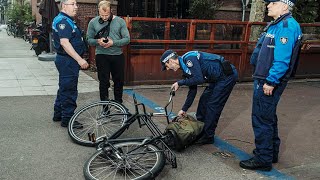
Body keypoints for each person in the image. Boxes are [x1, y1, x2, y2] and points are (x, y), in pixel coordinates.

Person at [239, 0, 302, 171]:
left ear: (284, 6)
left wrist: (271, 81)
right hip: (265, 78)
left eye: (273, 2)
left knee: (261, 119)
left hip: (268, 80)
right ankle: (270, 153)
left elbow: (282, 60)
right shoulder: (276, 24)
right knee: (268, 117)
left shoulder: (286, 26)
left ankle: (263, 159)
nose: (268, 5)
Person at [160, 50, 238, 145]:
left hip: (226, 76)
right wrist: (184, 109)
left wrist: (179, 83)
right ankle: (201, 130)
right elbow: (192, 91)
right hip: (215, 79)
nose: (168, 69)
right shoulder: (185, 69)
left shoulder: (189, 59)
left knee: (213, 106)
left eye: (167, 66)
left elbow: (199, 79)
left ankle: (208, 136)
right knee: (203, 101)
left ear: (171, 61)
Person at [52, 0, 89, 127]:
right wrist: (80, 59)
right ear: (64, 6)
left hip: (66, 60)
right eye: (72, 4)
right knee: (69, 89)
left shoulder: (66, 19)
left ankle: (58, 113)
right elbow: (65, 43)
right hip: (68, 61)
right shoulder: (63, 21)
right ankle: (67, 119)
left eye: (76, 4)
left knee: (64, 87)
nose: (76, 7)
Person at [87, 0, 130, 103]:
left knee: (118, 81)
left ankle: (119, 104)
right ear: (98, 11)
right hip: (101, 55)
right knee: (103, 82)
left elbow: (127, 39)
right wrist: (98, 41)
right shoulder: (93, 22)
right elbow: (89, 40)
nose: (104, 17)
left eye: (106, 15)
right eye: (102, 15)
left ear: (111, 10)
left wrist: (113, 43)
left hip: (117, 55)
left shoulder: (120, 21)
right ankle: (105, 107)